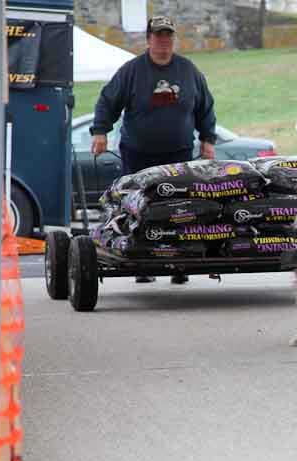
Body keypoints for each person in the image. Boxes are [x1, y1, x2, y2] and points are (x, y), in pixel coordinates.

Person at [90, 15, 217, 284]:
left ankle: (180, 265)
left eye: (168, 35)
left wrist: (208, 139)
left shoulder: (188, 70)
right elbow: (107, 101)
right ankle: (142, 264)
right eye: (158, 35)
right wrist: (100, 131)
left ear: (173, 39)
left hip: (179, 154)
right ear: (149, 39)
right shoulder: (132, 70)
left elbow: (205, 107)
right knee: (140, 208)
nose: (163, 40)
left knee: (180, 208)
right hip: (138, 154)